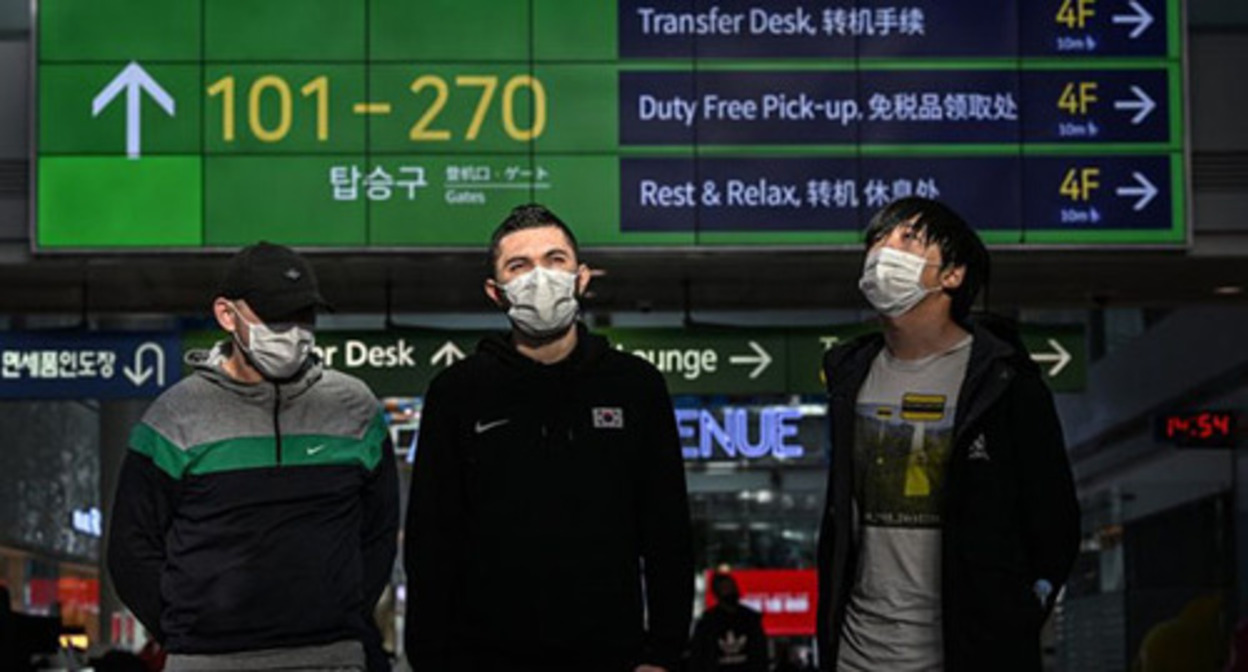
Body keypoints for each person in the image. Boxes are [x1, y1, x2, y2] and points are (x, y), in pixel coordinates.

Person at [404, 204, 693, 672]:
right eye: (519, 266)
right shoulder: (457, 392)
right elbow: (431, 541)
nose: (540, 277)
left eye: (555, 260)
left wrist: (663, 653)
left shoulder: (635, 385)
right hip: (483, 658)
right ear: (496, 292)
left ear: (581, 277)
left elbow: (667, 531)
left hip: (612, 655)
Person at [815, 198, 1081, 671]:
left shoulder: (1004, 382)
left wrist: (1013, 617)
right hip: (858, 652)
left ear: (952, 275)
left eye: (907, 239)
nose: (883, 252)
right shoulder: (850, 376)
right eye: (877, 239)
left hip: (966, 652)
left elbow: (1053, 520)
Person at [108, 242, 399, 672]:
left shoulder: (354, 407)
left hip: (330, 657)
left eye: (304, 317)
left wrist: (344, 611)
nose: (294, 332)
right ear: (227, 315)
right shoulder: (175, 415)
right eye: (276, 316)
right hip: (207, 661)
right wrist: (188, 628)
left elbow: (379, 531)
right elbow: (131, 547)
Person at [688, 573, 768, 672]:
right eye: (725, 588)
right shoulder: (708, 622)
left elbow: (760, 654)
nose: (730, 591)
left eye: (732, 586)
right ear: (717, 592)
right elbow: (698, 656)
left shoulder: (750, 619)